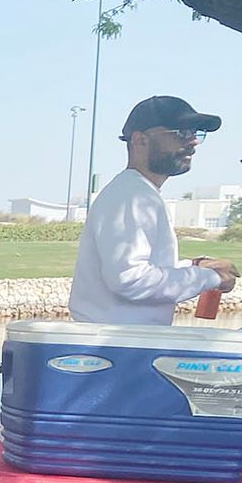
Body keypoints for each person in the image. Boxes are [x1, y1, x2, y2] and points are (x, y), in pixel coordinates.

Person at [71, 96, 236, 323]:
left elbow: (147, 269)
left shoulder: (136, 192)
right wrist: (211, 278)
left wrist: (196, 266)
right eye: (182, 132)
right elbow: (130, 279)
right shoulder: (133, 196)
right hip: (119, 341)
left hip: (122, 339)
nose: (193, 141)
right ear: (140, 140)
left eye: (195, 133)